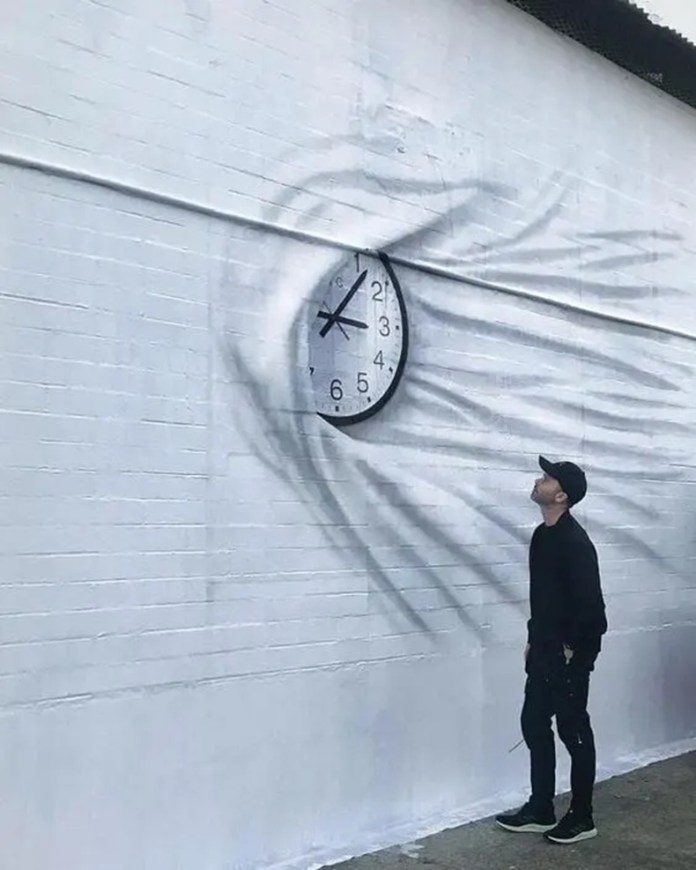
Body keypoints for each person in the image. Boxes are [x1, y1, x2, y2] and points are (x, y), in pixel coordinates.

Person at [496, 455, 607, 844]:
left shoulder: (576, 544)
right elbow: (543, 598)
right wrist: (533, 637)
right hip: (542, 651)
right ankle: (541, 807)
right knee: (533, 723)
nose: (538, 481)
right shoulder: (542, 536)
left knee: (574, 732)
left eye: (546, 479)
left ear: (560, 495)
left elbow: (594, 611)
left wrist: (576, 654)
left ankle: (582, 817)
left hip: (569, 657)